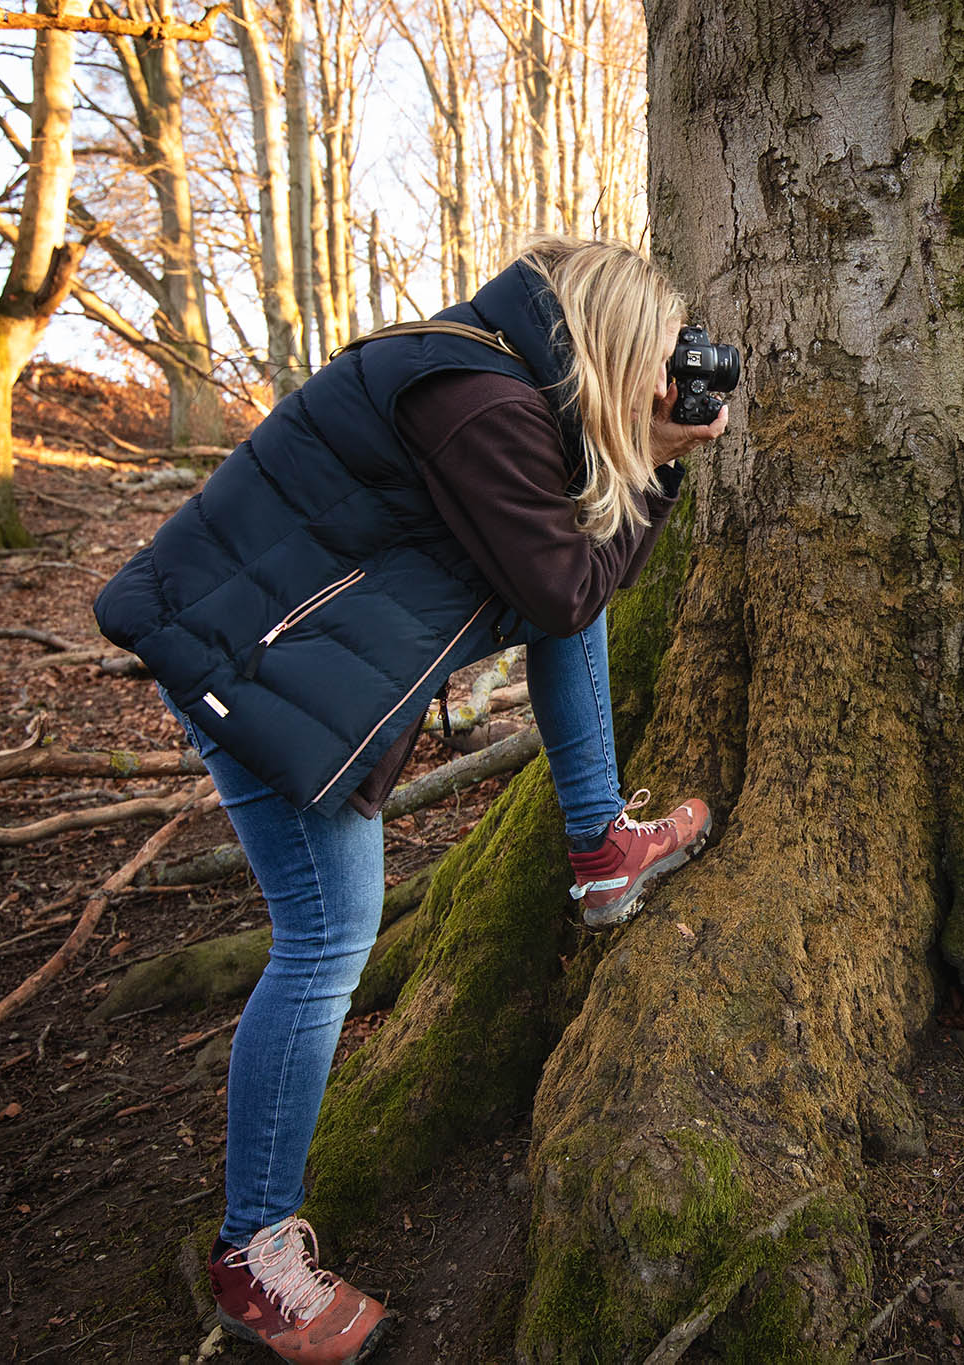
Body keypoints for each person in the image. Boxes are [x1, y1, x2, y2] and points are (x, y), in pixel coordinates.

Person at [94, 236, 728, 1364]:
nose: (663, 386)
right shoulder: (476, 404)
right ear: (616, 344)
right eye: (656, 364)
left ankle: (597, 849)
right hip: (256, 672)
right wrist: (661, 463)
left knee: (561, 609)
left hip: (288, 656)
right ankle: (254, 1256)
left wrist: (642, 456)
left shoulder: (485, 379)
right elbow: (568, 581)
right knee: (328, 941)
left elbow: (560, 594)